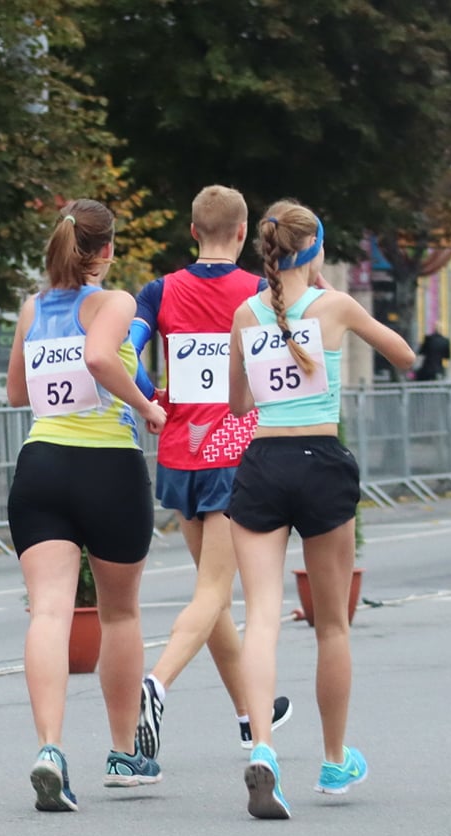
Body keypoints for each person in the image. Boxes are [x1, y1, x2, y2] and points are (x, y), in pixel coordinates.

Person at [227, 200, 415, 820]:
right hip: (322, 460)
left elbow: (238, 405)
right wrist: (336, 309)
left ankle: (263, 747)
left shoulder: (245, 314)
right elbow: (404, 355)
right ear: (316, 251)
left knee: (261, 616)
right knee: (331, 624)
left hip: (263, 461)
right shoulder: (335, 307)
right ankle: (335, 761)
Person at [2, 199, 166, 811]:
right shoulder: (114, 303)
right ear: (107, 250)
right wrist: (146, 406)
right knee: (119, 613)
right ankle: (124, 752)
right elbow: (99, 357)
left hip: (41, 463)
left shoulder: (33, 308)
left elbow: (15, 391)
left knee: (49, 612)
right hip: (107, 465)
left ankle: (50, 748)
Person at [131, 185, 294, 772]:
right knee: (214, 593)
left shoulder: (158, 291)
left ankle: (251, 715)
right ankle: (155, 684)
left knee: (214, 594)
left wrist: (152, 399)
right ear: (244, 233)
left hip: (180, 451)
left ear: (193, 231)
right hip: (234, 452)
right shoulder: (257, 292)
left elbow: (124, 354)